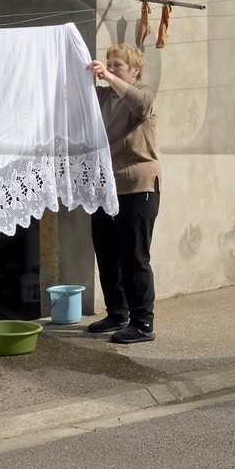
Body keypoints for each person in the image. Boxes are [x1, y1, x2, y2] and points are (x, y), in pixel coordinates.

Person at [86, 43, 160, 344]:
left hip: (139, 186)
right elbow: (75, 94)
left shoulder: (145, 93)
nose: (110, 69)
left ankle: (142, 323)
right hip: (107, 189)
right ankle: (118, 313)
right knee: (106, 253)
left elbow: (140, 104)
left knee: (134, 256)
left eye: (117, 65)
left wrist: (109, 77)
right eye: (108, 63)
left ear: (135, 71)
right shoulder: (104, 97)